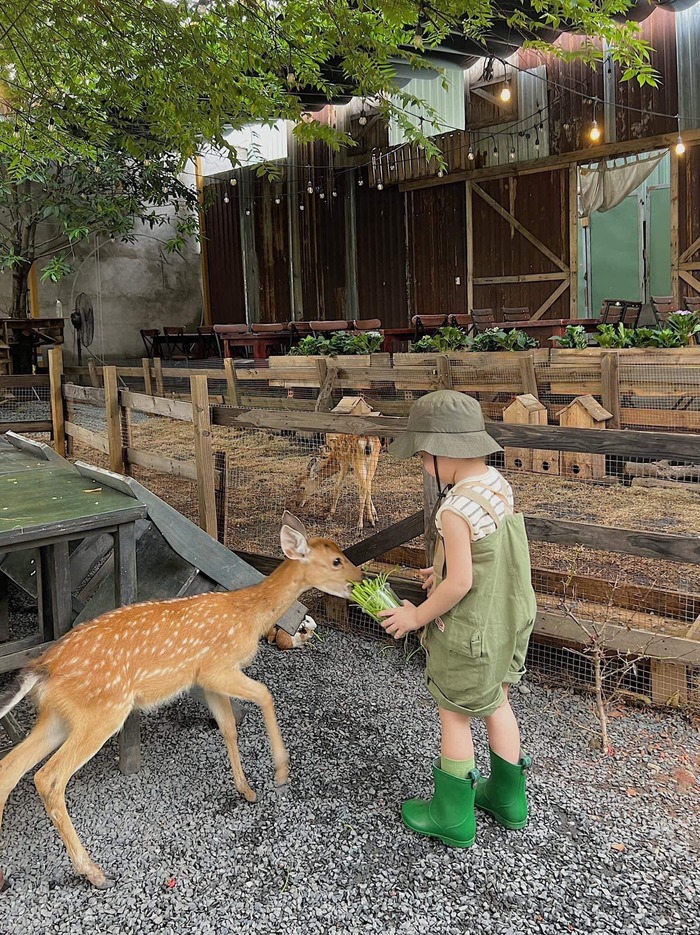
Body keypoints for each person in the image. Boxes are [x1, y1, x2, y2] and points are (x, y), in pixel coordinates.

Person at [379, 390, 536, 848]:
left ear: (446, 451)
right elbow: (488, 554)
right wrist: (443, 565)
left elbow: (461, 583)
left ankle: (452, 817)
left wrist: (415, 615)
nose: (424, 464)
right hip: (508, 619)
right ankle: (508, 800)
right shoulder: (495, 485)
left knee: (455, 715)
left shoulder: (452, 509)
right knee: (498, 702)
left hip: (472, 631)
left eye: (425, 456)